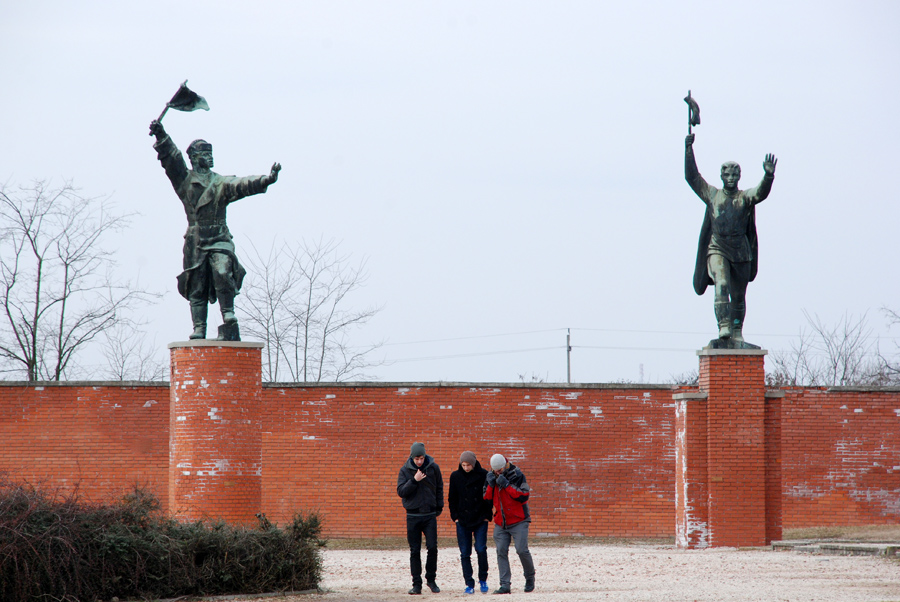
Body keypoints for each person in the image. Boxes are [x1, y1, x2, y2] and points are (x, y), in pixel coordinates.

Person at [149, 119, 281, 341]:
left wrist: (266, 180)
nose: (210, 157)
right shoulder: (184, 181)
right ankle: (199, 327)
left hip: (219, 237)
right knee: (197, 285)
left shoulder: (220, 183)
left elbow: (242, 184)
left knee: (222, 271)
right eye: (205, 154)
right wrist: (161, 136)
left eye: (210, 153)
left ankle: (228, 313)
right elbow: (172, 159)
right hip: (196, 240)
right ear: (194, 158)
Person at [685, 133, 776, 346]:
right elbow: (693, 177)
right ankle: (723, 325)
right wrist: (688, 150)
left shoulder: (744, 197)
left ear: (739, 176)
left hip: (740, 251)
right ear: (722, 176)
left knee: (739, 295)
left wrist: (768, 177)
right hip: (718, 248)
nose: (731, 177)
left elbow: (760, 193)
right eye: (727, 174)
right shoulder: (712, 195)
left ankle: (736, 330)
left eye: (735, 174)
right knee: (722, 283)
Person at [484, 453, 534, 594]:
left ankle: (530, 577)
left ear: (505, 465)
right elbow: (486, 499)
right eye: (495, 470)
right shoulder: (490, 476)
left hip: (519, 520)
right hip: (501, 522)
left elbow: (524, 496)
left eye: (500, 470)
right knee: (501, 551)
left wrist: (506, 485)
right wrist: (490, 485)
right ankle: (505, 584)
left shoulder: (517, 475)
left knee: (521, 550)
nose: (497, 472)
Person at [397, 442, 443, 595]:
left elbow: (439, 487)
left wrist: (439, 507)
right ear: (412, 457)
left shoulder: (433, 468)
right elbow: (401, 491)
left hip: (429, 515)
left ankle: (431, 579)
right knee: (415, 550)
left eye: (421, 458)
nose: (419, 461)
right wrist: (414, 480)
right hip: (413, 515)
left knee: (432, 548)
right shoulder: (405, 470)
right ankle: (416, 584)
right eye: (416, 459)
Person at [448, 451, 492, 594]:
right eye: (463, 465)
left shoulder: (484, 475)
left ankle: (483, 579)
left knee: (481, 549)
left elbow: (488, 496)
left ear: (473, 464)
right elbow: (452, 498)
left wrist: (487, 515)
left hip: (480, 518)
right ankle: (469, 583)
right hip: (462, 520)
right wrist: (455, 517)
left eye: (468, 465)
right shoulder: (455, 476)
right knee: (465, 553)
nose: (466, 468)